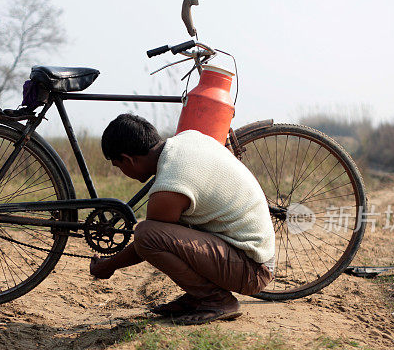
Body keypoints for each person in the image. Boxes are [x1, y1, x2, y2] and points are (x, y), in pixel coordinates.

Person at [89, 113, 276, 325]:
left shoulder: (169, 187)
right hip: (251, 254)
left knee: (146, 234)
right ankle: (199, 296)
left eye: (119, 166)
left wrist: (109, 265)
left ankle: (217, 300)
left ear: (128, 159)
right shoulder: (188, 138)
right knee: (158, 233)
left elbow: (149, 242)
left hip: (252, 269)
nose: (122, 172)